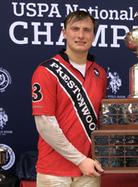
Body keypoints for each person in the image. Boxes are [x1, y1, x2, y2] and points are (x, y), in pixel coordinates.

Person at [31, 10, 107, 187]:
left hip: (89, 170)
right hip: (53, 172)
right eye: (75, 29)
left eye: (87, 30)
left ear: (94, 35)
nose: (81, 35)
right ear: (64, 32)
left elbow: (102, 121)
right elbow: (45, 125)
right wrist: (80, 160)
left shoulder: (100, 73)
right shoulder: (46, 71)